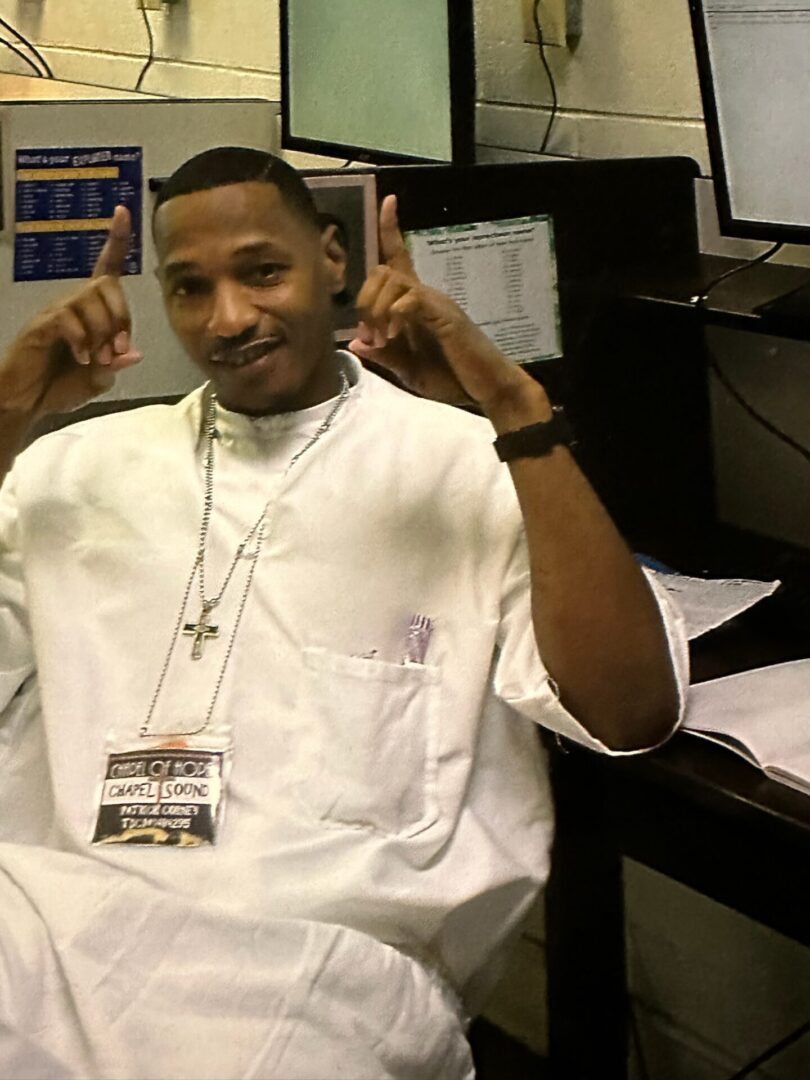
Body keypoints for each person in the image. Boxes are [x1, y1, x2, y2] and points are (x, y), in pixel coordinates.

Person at [0, 147, 687, 1079]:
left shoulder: (467, 461)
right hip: (57, 930)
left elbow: (629, 710)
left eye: (261, 272)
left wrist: (515, 408)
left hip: (320, 978)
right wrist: (4, 420)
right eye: (189, 288)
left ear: (334, 259)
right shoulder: (71, 470)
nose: (228, 319)